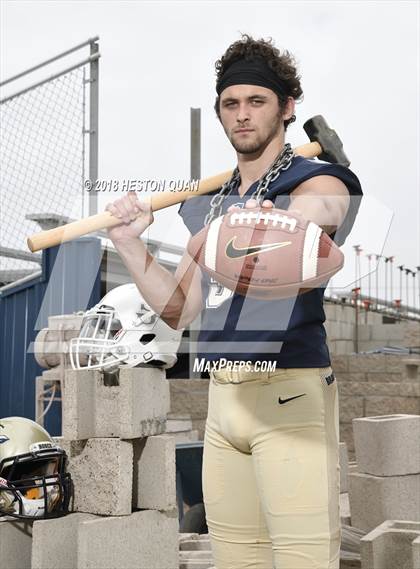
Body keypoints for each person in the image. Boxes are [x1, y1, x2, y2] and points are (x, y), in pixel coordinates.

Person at [106, 34, 362, 569]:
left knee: (302, 561)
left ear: (287, 107)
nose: (242, 115)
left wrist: (267, 222)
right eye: (231, 103)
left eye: (257, 101)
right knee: (236, 562)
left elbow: (322, 214)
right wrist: (130, 244)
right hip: (224, 402)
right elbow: (178, 308)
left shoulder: (314, 179)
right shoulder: (213, 205)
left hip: (289, 393)